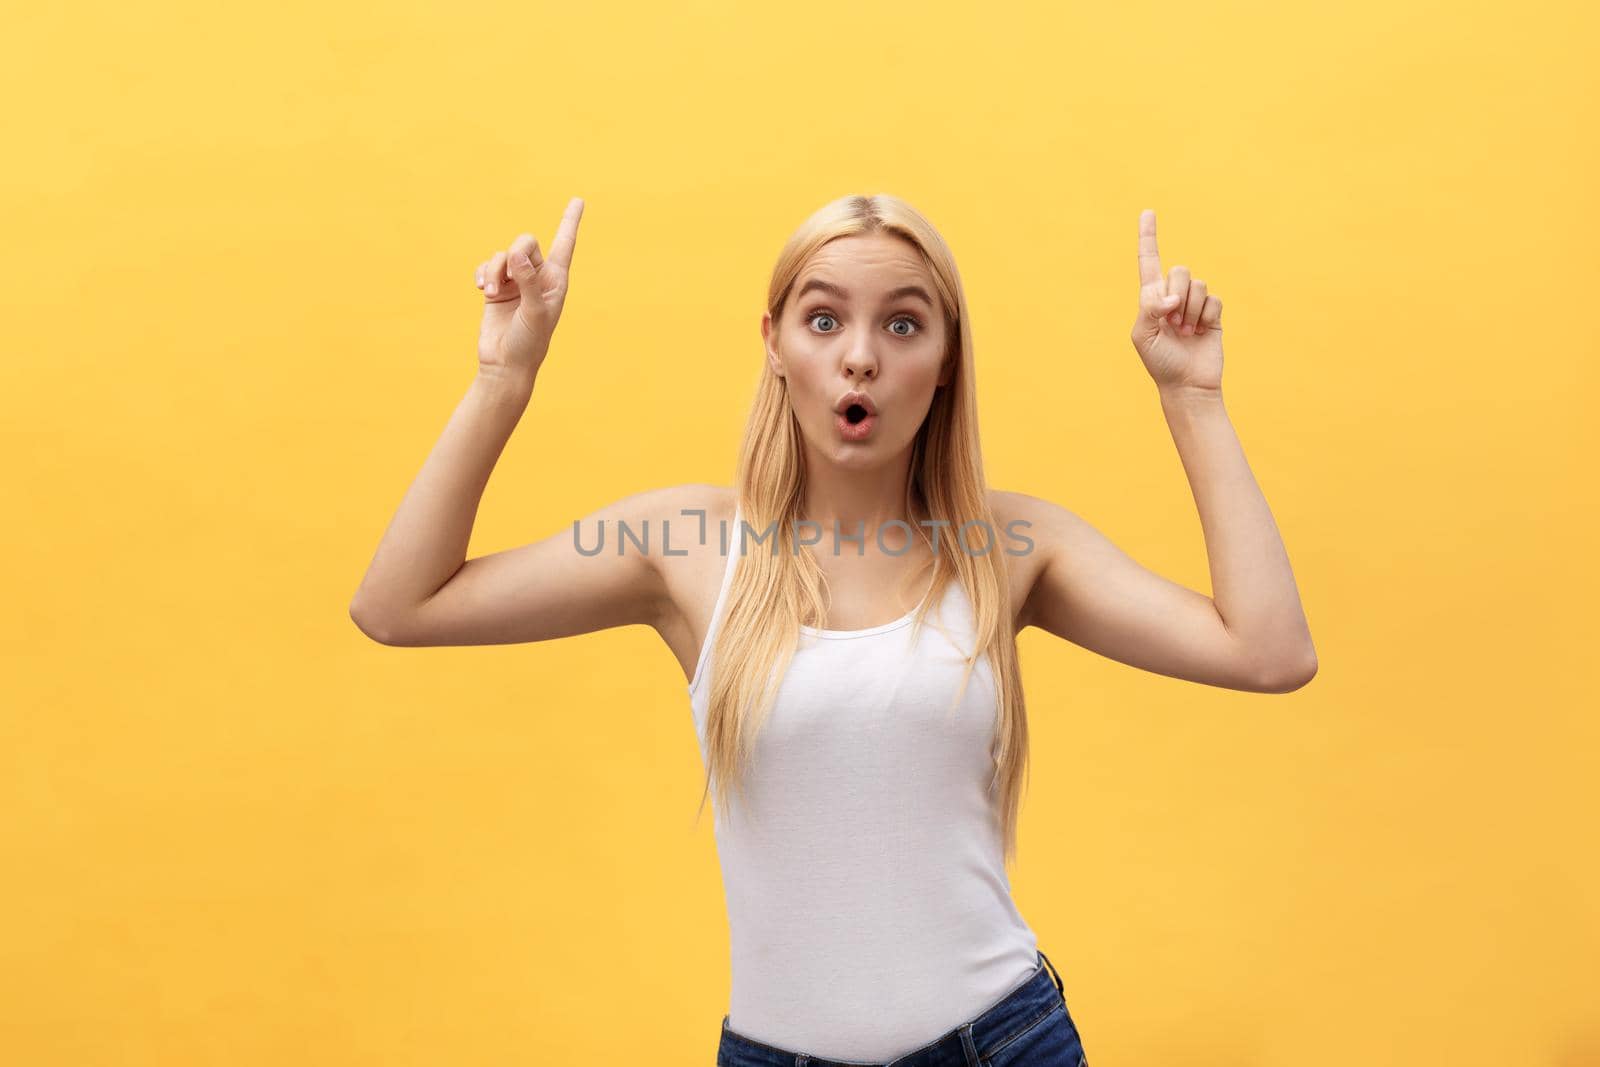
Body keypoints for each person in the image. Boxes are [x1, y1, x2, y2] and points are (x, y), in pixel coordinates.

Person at [348, 194, 1317, 1066]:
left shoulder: (1013, 542)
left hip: (1001, 1044)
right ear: (774, 342)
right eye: (824, 319)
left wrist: (1190, 398)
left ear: (943, 365)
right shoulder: (681, 542)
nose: (860, 354)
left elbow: (1268, 653)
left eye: (902, 323)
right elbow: (399, 605)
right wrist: (500, 377)